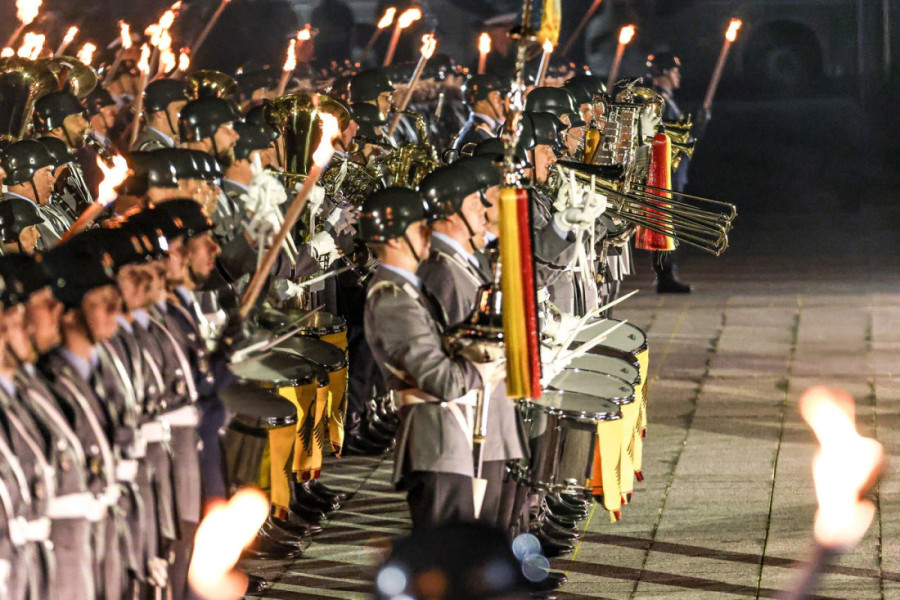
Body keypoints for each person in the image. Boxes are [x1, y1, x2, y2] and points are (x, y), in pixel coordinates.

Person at [361, 187, 503, 529]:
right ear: (393, 239)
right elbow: (444, 380)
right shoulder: (392, 297)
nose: (429, 233)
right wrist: (487, 362)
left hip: (448, 436)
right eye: (418, 227)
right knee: (447, 560)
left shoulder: (409, 289)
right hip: (435, 439)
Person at [646, 51, 691, 293]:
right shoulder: (658, 101)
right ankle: (665, 276)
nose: (678, 75)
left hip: (674, 174)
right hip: (666, 175)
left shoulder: (666, 99)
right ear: (664, 73)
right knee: (664, 227)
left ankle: (668, 274)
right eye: (674, 71)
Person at [453, 74, 508, 151]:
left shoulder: (489, 128)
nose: (501, 101)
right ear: (480, 101)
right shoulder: (473, 136)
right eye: (496, 95)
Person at [133, 79, 190, 151]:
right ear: (159, 112)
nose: (186, 115)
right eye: (180, 109)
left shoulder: (160, 144)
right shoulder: (153, 149)